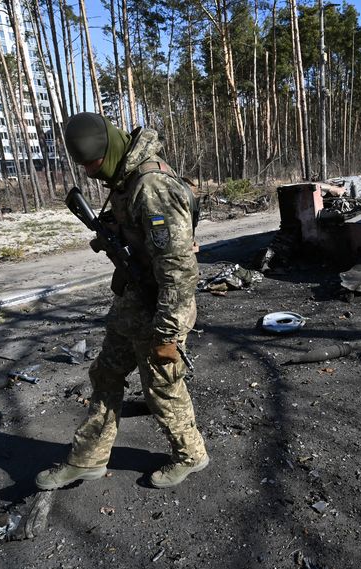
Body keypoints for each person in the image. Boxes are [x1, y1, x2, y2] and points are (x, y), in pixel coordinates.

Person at [36, 113, 208, 490]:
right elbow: (133, 228)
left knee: (162, 387)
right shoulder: (124, 178)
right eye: (82, 165)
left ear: (109, 149)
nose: (89, 172)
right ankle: (87, 459)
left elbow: (179, 270)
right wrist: (111, 232)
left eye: (92, 163)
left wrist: (168, 333)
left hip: (162, 306)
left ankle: (191, 454)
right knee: (106, 374)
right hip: (133, 299)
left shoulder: (152, 185)